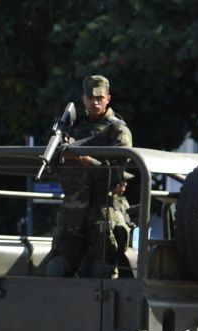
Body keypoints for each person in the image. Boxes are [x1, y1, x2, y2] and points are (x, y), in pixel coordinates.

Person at [45, 75, 133, 279]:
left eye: (99, 98)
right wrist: (61, 149)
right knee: (56, 269)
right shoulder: (71, 126)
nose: (95, 102)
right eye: (90, 97)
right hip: (72, 212)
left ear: (108, 98)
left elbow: (117, 172)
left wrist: (85, 159)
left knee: (100, 273)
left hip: (104, 213)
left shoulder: (118, 130)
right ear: (83, 99)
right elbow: (55, 168)